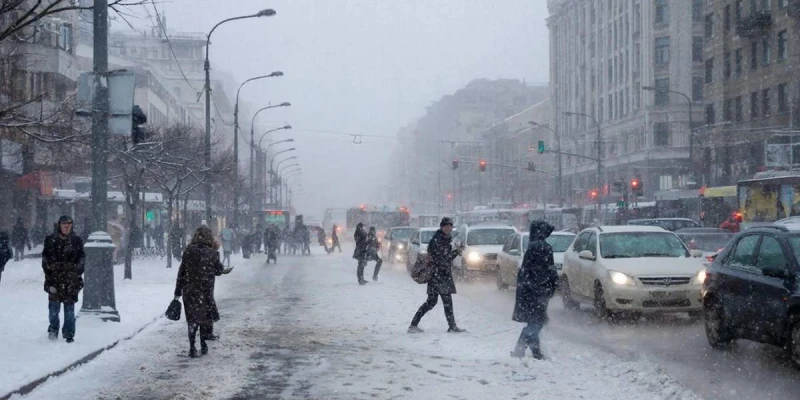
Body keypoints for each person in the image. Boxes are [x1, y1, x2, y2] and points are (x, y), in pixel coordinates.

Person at [173, 226, 232, 358]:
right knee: (204, 318)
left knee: (192, 319)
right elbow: (219, 271)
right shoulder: (212, 253)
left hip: (189, 291)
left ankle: (192, 347)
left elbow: (181, 271)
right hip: (205, 291)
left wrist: (177, 291)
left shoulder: (188, 251)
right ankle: (203, 344)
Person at [511, 221, 559, 360]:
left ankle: (534, 351)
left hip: (529, 290)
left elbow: (526, 270)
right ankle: (520, 351)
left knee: (534, 321)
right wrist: (552, 284)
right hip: (539, 291)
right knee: (536, 323)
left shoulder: (531, 246)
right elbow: (550, 270)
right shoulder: (544, 247)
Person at [408, 217, 465, 333]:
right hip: (438, 275)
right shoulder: (438, 240)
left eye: (450, 226)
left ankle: (414, 324)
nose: (449, 228)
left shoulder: (444, 239)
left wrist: (455, 252)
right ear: (442, 227)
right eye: (446, 226)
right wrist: (455, 252)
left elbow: (445, 257)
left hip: (441, 275)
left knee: (435, 302)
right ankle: (451, 326)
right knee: (439, 302)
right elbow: (441, 259)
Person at [42, 216, 85, 343]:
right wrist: (50, 271)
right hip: (54, 280)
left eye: (69, 224)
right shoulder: (51, 240)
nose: (66, 226)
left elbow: (82, 259)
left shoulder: (76, 241)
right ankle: (53, 330)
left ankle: (69, 334)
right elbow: (45, 258)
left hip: (71, 281)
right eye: (64, 223)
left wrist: (75, 272)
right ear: (59, 225)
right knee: (53, 309)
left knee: (69, 310)